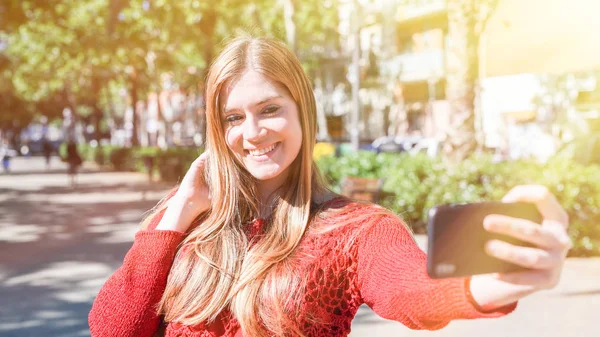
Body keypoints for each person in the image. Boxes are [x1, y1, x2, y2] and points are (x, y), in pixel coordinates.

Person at [89, 36, 572, 337]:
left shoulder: (356, 229)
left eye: (270, 109)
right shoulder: (178, 225)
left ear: (303, 112)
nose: (252, 132)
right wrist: (179, 212)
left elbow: (412, 292)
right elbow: (112, 330)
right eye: (233, 117)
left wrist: (489, 285)